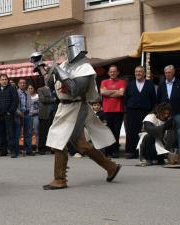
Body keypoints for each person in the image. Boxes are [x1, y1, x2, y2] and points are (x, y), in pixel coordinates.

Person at [31, 35, 121, 190]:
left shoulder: (84, 68)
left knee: (58, 138)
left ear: (77, 47)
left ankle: (60, 179)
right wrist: (40, 66)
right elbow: (51, 84)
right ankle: (110, 167)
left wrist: (58, 70)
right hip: (65, 107)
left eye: (69, 47)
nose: (67, 51)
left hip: (76, 106)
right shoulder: (65, 64)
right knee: (80, 143)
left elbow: (76, 90)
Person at [157, 65, 180, 160]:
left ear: (173, 72)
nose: (167, 74)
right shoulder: (162, 85)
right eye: (166, 73)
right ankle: (164, 153)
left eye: (169, 72)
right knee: (164, 134)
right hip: (165, 115)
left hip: (178, 112)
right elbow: (158, 99)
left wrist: (179, 106)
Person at [124, 66, 156, 159]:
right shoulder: (130, 84)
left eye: (140, 72)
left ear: (144, 73)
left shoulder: (150, 84)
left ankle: (144, 151)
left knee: (145, 132)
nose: (138, 73)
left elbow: (153, 99)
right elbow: (125, 98)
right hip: (132, 111)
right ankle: (130, 151)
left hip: (145, 111)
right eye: (136, 71)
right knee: (131, 131)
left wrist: (152, 111)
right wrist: (129, 108)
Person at [100, 65, 126, 158]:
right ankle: (107, 151)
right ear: (108, 73)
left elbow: (121, 93)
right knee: (107, 131)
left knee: (116, 132)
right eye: (111, 72)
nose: (113, 73)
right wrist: (116, 92)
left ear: (117, 72)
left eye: (114, 71)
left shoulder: (122, 82)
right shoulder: (104, 81)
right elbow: (102, 92)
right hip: (107, 110)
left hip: (118, 110)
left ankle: (115, 151)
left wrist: (108, 92)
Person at [0, 74, 19, 157]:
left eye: (5, 79)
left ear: (8, 80)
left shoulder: (12, 89)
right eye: (2, 79)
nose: (4, 81)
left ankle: (13, 151)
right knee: (1, 134)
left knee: (11, 134)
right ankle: (3, 151)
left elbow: (15, 102)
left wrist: (10, 112)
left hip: (8, 114)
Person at [14, 79, 34, 157]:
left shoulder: (27, 93)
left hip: (27, 114)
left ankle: (28, 150)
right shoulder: (15, 92)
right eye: (21, 83)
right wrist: (19, 112)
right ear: (18, 84)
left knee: (28, 133)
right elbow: (14, 104)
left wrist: (30, 113)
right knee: (18, 133)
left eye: (24, 83)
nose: (22, 84)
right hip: (18, 114)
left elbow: (30, 104)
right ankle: (16, 150)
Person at [37, 78, 57, 155]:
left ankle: (52, 148)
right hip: (44, 114)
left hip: (54, 114)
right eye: (47, 79)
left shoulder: (55, 89)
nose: (48, 81)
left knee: (53, 132)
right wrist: (53, 99)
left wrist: (53, 99)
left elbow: (58, 98)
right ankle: (42, 148)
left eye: (49, 79)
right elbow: (43, 99)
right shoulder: (40, 89)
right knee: (43, 132)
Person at [28, 84, 39, 152]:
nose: (30, 89)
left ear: (34, 89)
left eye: (31, 88)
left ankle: (37, 147)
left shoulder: (37, 96)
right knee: (29, 132)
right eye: (29, 88)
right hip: (28, 116)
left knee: (36, 131)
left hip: (36, 115)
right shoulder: (27, 96)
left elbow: (39, 106)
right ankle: (30, 147)